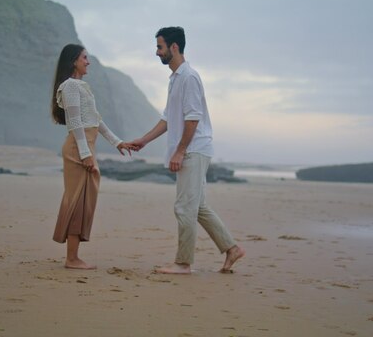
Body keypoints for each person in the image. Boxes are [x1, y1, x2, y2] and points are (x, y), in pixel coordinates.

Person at [131, 27, 245, 274]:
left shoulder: (189, 77)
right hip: (193, 148)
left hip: (194, 149)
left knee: (184, 207)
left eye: (160, 47)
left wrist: (180, 151)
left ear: (174, 47)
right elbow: (168, 118)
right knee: (198, 207)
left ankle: (183, 263)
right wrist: (144, 140)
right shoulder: (175, 78)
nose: (156, 52)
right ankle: (232, 249)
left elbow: (193, 118)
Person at [51, 43, 133, 269]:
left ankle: (73, 256)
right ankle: (71, 258)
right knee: (77, 200)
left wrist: (118, 142)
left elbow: (95, 120)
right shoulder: (69, 86)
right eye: (84, 58)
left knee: (85, 199)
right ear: (74, 61)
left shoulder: (81, 86)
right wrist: (86, 154)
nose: (88, 61)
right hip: (79, 148)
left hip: (86, 146)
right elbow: (76, 123)